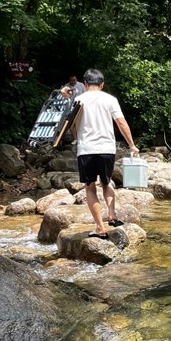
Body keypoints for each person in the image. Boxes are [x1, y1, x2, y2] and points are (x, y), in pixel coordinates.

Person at [70, 68, 139, 237]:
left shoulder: (78, 99)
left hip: (86, 149)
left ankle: (100, 227)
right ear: (102, 84)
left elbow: (71, 125)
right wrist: (131, 144)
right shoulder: (110, 99)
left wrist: (75, 137)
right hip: (107, 148)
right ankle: (112, 215)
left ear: (85, 84)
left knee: (90, 187)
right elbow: (121, 122)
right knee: (107, 183)